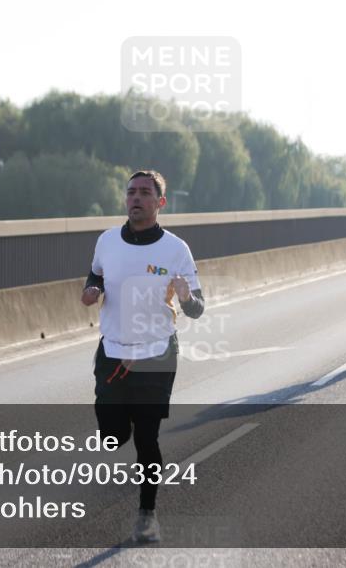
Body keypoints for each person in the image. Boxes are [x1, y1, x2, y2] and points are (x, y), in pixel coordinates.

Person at [81, 169, 205, 544]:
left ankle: (147, 515)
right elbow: (96, 275)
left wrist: (185, 297)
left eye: (144, 193)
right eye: (130, 192)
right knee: (111, 437)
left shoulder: (176, 249)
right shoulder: (106, 241)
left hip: (156, 353)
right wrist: (91, 289)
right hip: (114, 351)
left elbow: (198, 309)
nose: (135, 198)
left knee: (147, 439)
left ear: (159, 203)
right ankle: (126, 418)